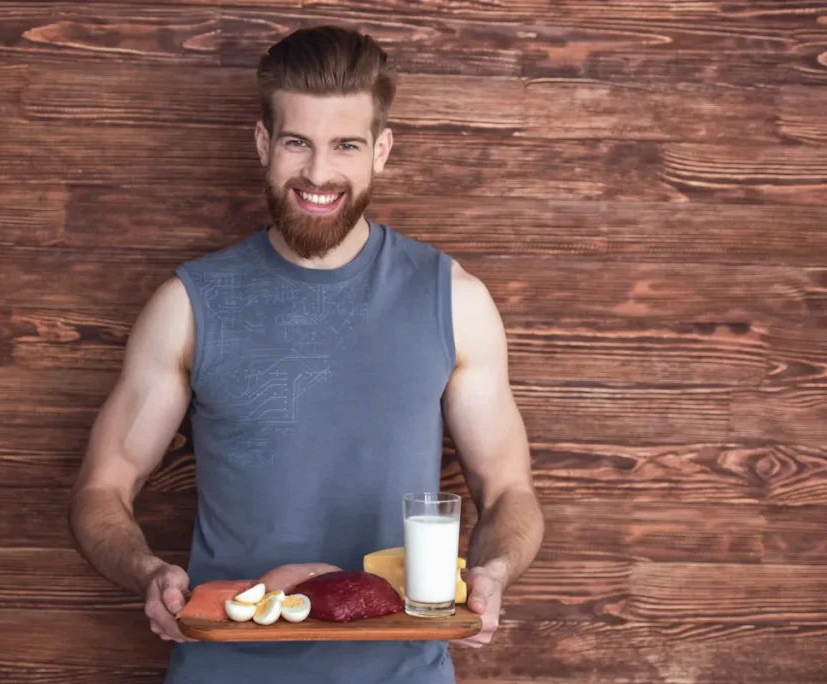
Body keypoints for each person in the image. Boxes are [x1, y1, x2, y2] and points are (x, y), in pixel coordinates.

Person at [68, 24, 544, 684]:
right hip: (226, 670)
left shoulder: (456, 301)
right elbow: (102, 488)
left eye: (345, 145)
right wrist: (147, 571)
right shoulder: (187, 305)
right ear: (264, 144)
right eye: (297, 143)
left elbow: (510, 491)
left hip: (400, 671)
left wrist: (493, 573)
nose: (319, 173)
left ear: (382, 150)